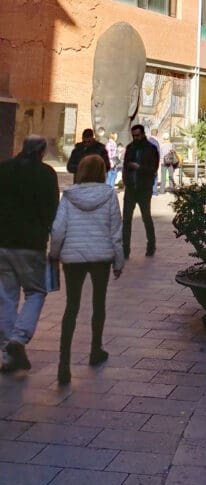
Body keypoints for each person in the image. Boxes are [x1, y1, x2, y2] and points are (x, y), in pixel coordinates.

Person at [50, 155, 124, 385]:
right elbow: (116, 231)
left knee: (71, 308)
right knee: (98, 304)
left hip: (73, 258)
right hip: (101, 257)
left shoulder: (69, 196)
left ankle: (64, 363)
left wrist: (54, 254)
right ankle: (95, 349)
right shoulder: (109, 195)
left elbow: (58, 228)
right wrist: (119, 260)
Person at [0, 136, 60, 373]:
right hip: (32, 243)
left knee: (6, 295)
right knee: (36, 291)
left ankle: (7, 354)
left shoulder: (4, 169)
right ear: (42, 152)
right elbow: (52, 209)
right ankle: (19, 338)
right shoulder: (46, 174)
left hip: (3, 241)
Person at [91, 21, 147, 147]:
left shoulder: (141, 156)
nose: (96, 99)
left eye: (108, 86)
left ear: (132, 100)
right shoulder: (89, 154)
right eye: (96, 85)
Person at [121, 124, 160, 258]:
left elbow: (153, 169)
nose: (135, 138)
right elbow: (125, 166)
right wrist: (126, 180)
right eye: (133, 135)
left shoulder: (151, 149)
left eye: (138, 135)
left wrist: (139, 167)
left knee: (146, 217)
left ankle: (151, 245)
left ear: (143, 134)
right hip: (131, 188)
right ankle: (125, 249)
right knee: (126, 220)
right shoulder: (130, 148)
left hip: (144, 188)